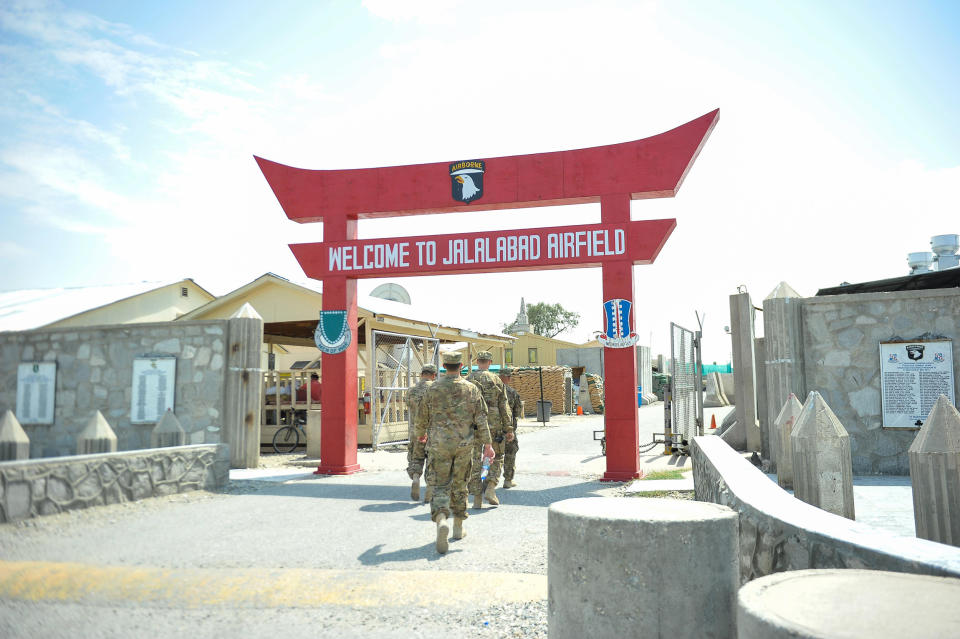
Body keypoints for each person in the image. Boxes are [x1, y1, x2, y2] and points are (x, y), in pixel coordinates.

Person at [414, 352, 494, 554]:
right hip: (464, 445)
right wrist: (488, 444)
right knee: (460, 484)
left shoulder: (433, 389)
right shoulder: (471, 389)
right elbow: (481, 419)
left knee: (440, 484)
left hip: (439, 444)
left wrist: (421, 434)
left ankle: (442, 520)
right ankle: (458, 527)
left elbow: (422, 415)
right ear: (461, 366)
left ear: (444, 365)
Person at [466, 351, 513, 508]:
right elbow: (503, 405)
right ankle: (491, 486)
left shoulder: (469, 379)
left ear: (477, 361)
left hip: (473, 423)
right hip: (493, 422)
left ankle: (477, 496)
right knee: (496, 456)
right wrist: (509, 428)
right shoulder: (496, 379)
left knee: (474, 458)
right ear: (490, 362)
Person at [406, 364, 437, 501]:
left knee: (416, 457)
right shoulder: (436, 388)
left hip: (415, 430)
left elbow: (409, 406)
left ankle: (416, 477)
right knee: (432, 460)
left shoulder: (411, 389)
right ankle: (430, 489)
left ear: (421, 374)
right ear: (434, 375)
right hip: (432, 431)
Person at [498, 367, 523, 488]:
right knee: (510, 453)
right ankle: (508, 480)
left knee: (491, 455)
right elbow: (517, 411)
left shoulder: (492, 392)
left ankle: (485, 480)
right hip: (508, 430)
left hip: (492, 429)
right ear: (508, 378)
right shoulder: (512, 393)